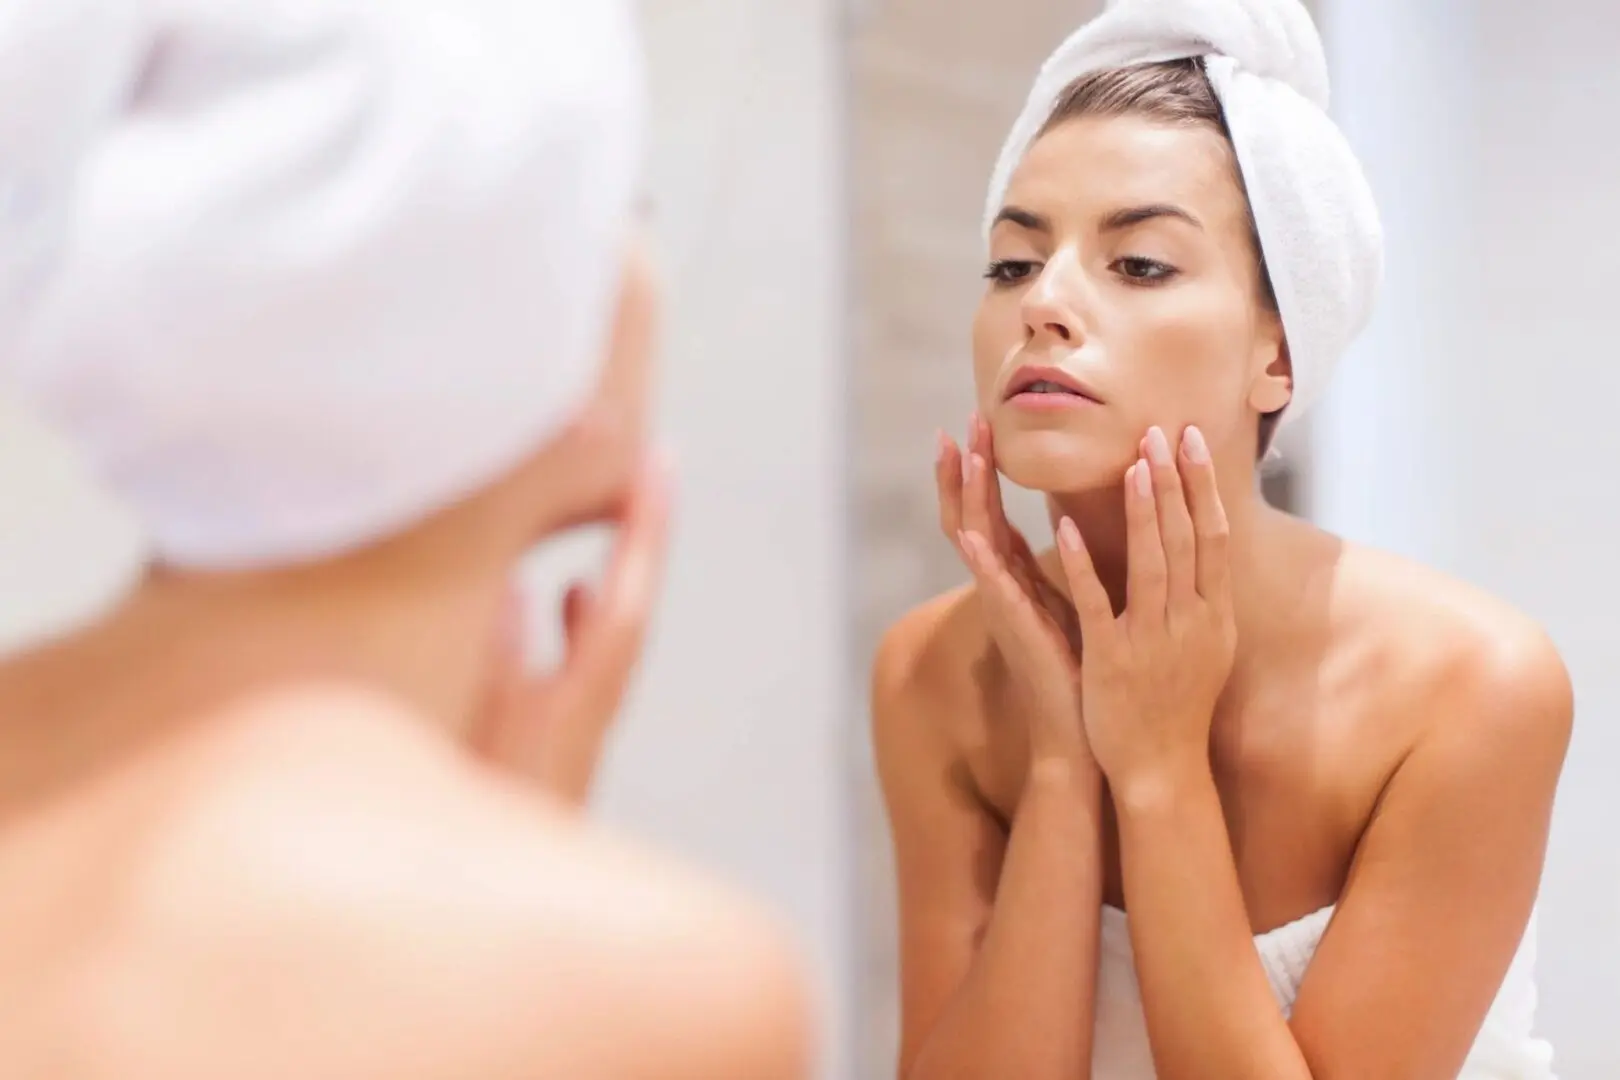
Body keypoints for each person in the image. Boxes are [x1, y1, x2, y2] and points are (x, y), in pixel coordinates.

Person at [0, 3, 810, 1079]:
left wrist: (497, 840)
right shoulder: (654, 990)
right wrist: (519, 890)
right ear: (545, 342)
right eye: (626, 212)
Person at [872, 1, 1570, 1078]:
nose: (1044, 303)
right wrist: (1065, 761)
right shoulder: (935, 676)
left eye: (1139, 264)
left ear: (1279, 355)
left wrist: (1154, 768)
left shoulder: (1469, 690)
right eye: (1013, 264)